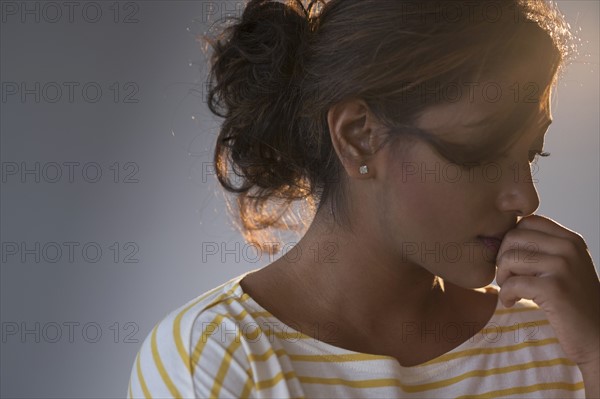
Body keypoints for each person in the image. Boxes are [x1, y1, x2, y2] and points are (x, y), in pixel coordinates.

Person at [127, 0, 600, 397]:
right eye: (481, 153)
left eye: (532, 152)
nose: (525, 196)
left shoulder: (557, 339)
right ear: (358, 136)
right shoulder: (218, 357)